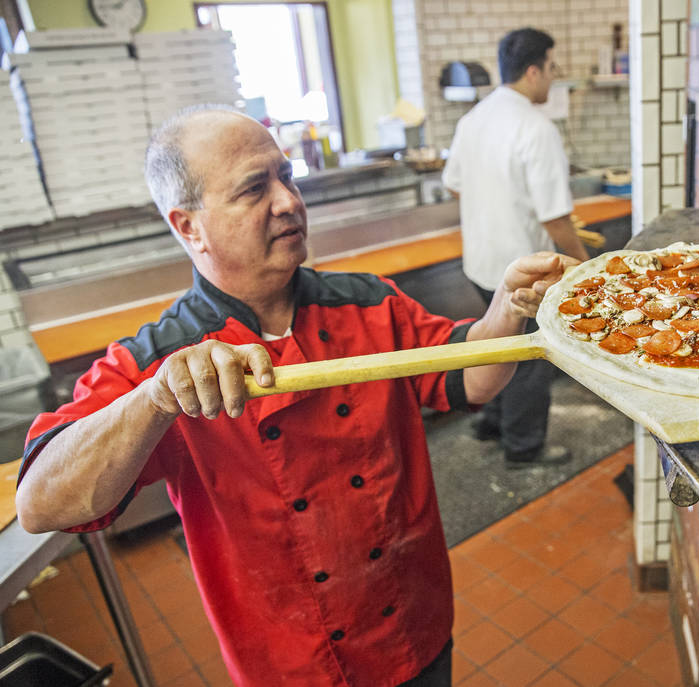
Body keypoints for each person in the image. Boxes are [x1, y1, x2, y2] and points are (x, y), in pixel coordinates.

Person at [14, 105, 576, 687]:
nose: (287, 201)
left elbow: (468, 376)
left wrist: (505, 311)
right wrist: (154, 401)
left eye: (287, 177)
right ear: (189, 227)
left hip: (415, 626)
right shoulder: (160, 362)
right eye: (255, 189)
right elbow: (41, 504)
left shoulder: (368, 303)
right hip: (291, 663)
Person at [443, 27, 590, 469]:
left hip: (478, 262)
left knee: (490, 339)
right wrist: (587, 265)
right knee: (528, 360)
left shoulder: (474, 118)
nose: (552, 78)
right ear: (533, 70)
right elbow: (554, 218)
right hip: (522, 273)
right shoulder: (535, 127)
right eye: (551, 68)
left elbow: (453, 186)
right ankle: (524, 447)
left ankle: (489, 422)